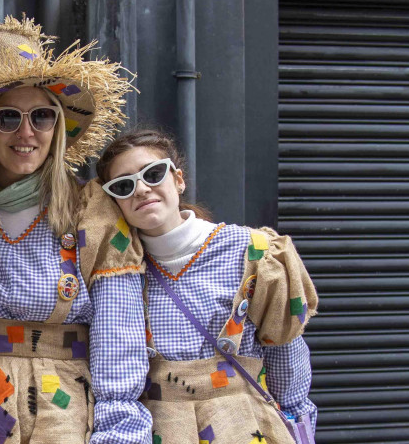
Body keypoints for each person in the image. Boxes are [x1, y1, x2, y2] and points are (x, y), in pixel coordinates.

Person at [0, 16, 151, 444]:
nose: (26, 132)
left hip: (64, 409)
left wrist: (119, 428)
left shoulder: (91, 208)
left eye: (41, 116)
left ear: (58, 125)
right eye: (7, 118)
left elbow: (120, 332)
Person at [96, 129, 318, 443]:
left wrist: (297, 419)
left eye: (153, 173)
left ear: (178, 179)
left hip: (244, 425)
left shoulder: (254, 251)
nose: (142, 189)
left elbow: (285, 353)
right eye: (123, 185)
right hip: (162, 429)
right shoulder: (116, 273)